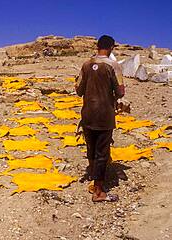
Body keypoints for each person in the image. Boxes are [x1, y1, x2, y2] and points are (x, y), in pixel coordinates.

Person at [75, 35, 125, 202]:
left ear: (97, 46)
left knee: (91, 147)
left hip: (87, 113)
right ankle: (98, 191)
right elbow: (120, 92)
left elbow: (79, 90)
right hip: (104, 114)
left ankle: (92, 174)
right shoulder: (113, 65)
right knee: (102, 151)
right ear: (111, 47)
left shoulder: (86, 64)